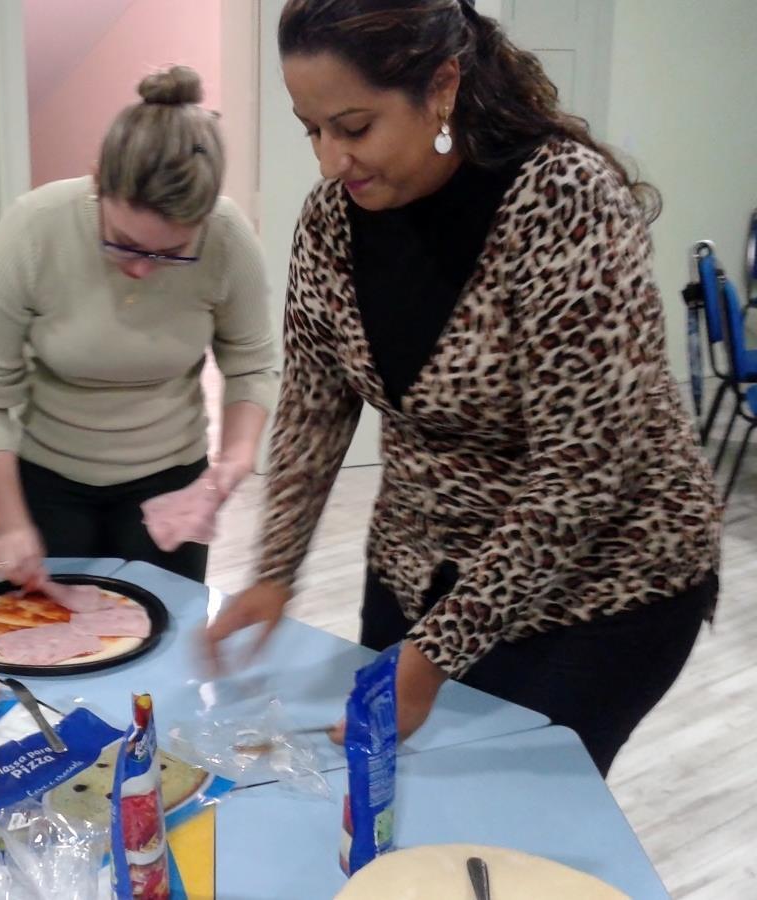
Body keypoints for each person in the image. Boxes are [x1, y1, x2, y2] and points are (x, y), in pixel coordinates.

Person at [202, 0, 722, 775]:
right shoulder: (330, 223)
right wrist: (274, 571)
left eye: (354, 126)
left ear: (441, 86)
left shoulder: (565, 202)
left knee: (512, 827)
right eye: (311, 129)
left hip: (600, 585)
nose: (329, 161)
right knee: (385, 794)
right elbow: (314, 413)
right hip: (420, 562)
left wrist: (432, 658)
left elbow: (581, 472)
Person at [0, 65, 279, 586]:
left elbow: (253, 364)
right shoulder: (33, 230)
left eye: (172, 253)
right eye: (123, 241)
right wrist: (11, 524)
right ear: (98, 179)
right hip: (49, 480)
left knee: (165, 641)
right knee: (50, 643)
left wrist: (235, 459)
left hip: (174, 481)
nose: (142, 268)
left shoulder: (227, 237)